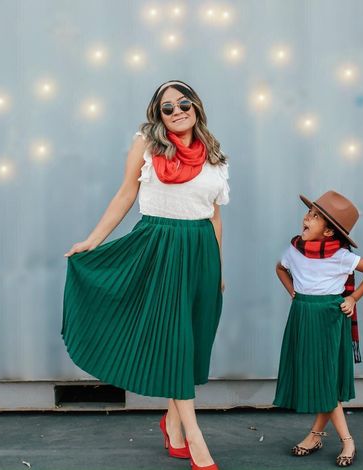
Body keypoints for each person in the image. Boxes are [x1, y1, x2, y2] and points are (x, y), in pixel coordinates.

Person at [62, 80, 229, 470]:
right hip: (159, 248)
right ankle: (195, 438)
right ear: (158, 115)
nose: (177, 111)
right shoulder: (147, 145)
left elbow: (215, 217)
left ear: (196, 106)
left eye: (183, 103)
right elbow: (125, 194)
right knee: (175, 343)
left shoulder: (215, 155)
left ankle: (171, 426)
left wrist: (218, 268)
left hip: (201, 251)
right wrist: (92, 240)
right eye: (166, 107)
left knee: (191, 343)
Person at [273, 190, 363, 467]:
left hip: (329, 318)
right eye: (309, 213)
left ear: (329, 233)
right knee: (324, 380)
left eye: (315, 216)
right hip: (303, 316)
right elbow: (280, 269)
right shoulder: (294, 250)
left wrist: (352, 298)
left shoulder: (341, 257)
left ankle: (346, 440)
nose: (306, 218)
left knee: (324, 380)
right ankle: (316, 434)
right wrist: (294, 293)